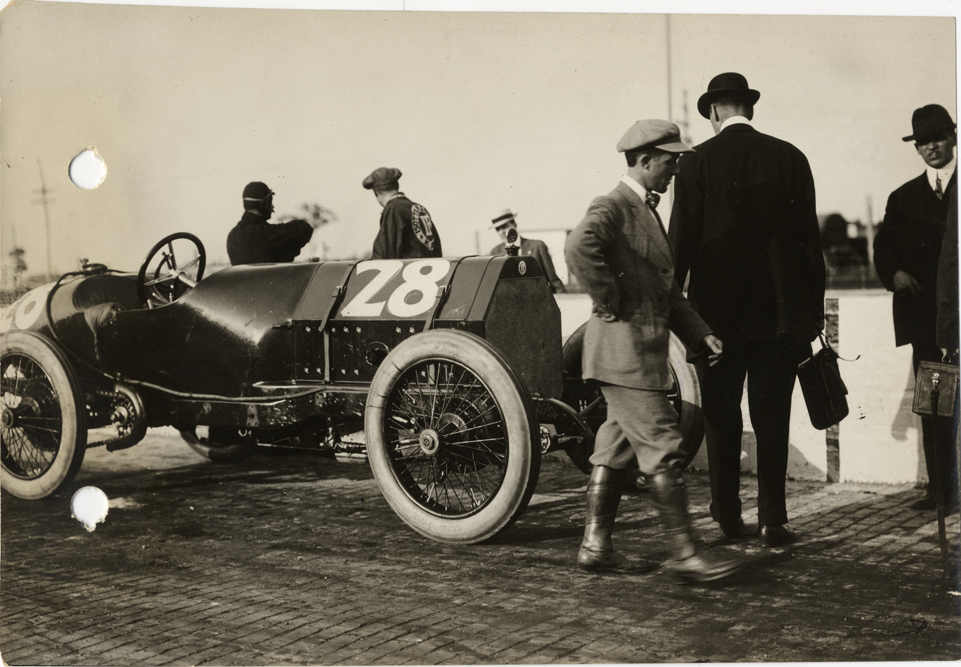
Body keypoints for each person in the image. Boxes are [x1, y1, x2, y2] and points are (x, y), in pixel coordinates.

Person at [565, 119, 742, 582]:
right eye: (671, 161)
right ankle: (686, 557)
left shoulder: (645, 210)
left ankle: (595, 547)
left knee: (612, 449)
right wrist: (608, 299)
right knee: (664, 449)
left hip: (633, 356)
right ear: (644, 161)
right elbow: (579, 246)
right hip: (626, 357)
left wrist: (700, 333)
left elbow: (669, 294)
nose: (676, 169)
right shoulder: (614, 206)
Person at [669, 72, 825, 548]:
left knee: (720, 415)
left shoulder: (694, 162)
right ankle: (773, 520)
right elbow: (809, 245)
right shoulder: (790, 156)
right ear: (749, 108)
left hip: (714, 320)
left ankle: (727, 516)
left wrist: (676, 313)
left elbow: (681, 243)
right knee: (772, 415)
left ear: (714, 111)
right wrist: (810, 313)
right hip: (778, 318)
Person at [874, 104, 958, 512]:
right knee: (935, 408)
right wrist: (894, 275)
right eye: (923, 143)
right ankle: (941, 491)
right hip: (928, 327)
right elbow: (883, 249)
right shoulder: (902, 198)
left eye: (937, 139)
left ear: (953, 138)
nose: (931, 148)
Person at [227, 182, 316, 265]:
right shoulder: (264, 233)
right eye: (270, 201)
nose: (272, 206)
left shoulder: (232, 236)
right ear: (265, 203)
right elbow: (303, 228)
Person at [363, 167, 442, 259]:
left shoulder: (393, 209)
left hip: (409, 271)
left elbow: (385, 253)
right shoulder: (419, 208)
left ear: (376, 192)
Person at [489, 209, 567, 293]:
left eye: (505, 226)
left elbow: (554, 281)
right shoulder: (495, 252)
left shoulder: (537, 246)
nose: (502, 232)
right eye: (498, 229)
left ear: (514, 224)